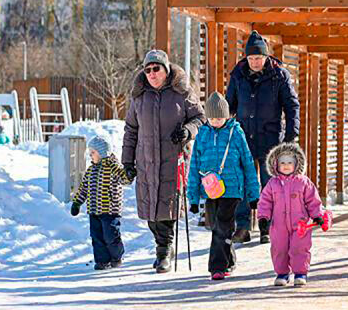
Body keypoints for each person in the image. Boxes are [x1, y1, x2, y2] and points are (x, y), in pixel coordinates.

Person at [122, 49, 205, 273]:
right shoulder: (139, 97)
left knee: (167, 207)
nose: (152, 73)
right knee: (151, 210)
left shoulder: (181, 92)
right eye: (147, 70)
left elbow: (200, 117)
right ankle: (162, 245)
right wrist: (127, 162)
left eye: (156, 68)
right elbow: (130, 130)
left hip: (172, 158)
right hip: (146, 160)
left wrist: (187, 131)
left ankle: (164, 250)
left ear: (166, 70)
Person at [226, 31, 300, 244]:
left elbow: (291, 106)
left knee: (269, 185)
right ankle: (242, 226)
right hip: (243, 138)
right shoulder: (238, 74)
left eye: (258, 58)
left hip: (270, 139)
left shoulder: (279, 75)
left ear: (266, 56)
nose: (255, 62)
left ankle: (266, 226)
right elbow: (229, 105)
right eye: (251, 58)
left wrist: (290, 136)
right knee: (242, 183)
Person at [187, 92, 261, 281]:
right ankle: (229, 260)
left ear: (227, 116)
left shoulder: (236, 132)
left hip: (232, 189)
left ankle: (216, 267)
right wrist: (193, 198)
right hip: (210, 190)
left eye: (220, 118)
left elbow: (248, 163)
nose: (216, 121)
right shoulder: (203, 134)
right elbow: (194, 166)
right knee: (218, 227)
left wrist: (254, 195)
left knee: (222, 226)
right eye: (212, 118)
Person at [257, 142, 324, 287]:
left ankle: (300, 273)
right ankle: (282, 273)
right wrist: (263, 217)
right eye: (282, 162)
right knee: (279, 248)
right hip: (278, 225)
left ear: (297, 164)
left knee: (299, 248)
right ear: (275, 164)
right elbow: (265, 202)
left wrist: (318, 215)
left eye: (290, 162)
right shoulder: (272, 184)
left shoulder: (303, 182)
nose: (286, 165)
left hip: (300, 224)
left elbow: (313, 200)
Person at [71, 135, 134, 270]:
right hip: (94, 210)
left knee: (111, 236)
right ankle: (102, 261)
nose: (90, 155)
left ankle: (116, 257)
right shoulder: (91, 170)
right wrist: (77, 203)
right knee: (97, 237)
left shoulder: (113, 167)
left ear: (101, 152)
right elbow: (83, 189)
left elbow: (124, 180)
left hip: (110, 210)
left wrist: (129, 174)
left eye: (92, 152)